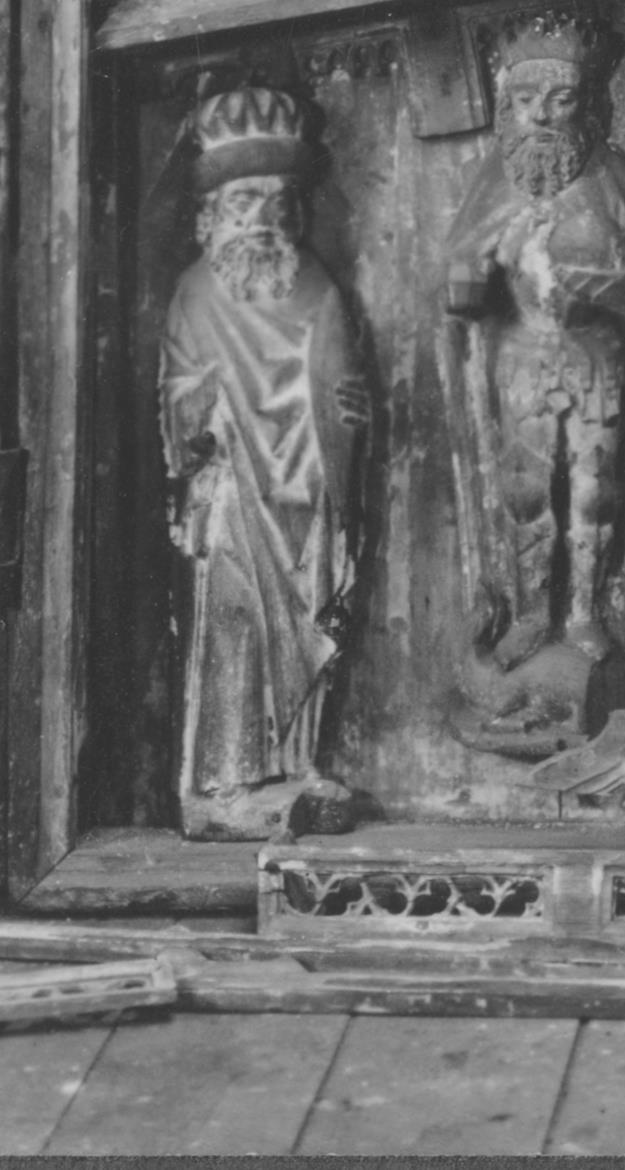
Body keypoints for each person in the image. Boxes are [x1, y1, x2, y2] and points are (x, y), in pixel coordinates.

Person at [435, 11, 625, 753]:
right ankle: (531, 612)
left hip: (595, 360)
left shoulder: (610, 181)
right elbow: (457, 293)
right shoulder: (493, 184)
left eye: (560, 98)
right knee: (526, 494)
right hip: (522, 363)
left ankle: (585, 613)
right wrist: (476, 274)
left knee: (596, 494)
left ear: (587, 104)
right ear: (505, 107)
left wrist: (605, 289)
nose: (541, 114)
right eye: (524, 99)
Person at [158, 83, 373, 836]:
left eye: (279, 202)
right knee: (236, 632)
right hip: (231, 497)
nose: (264, 218)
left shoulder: (315, 286)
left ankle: (290, 765)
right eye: (245, 202)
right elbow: (176, 393)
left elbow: (343, 386)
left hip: (306, 494)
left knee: (309, 623)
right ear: (212, 215)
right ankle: (222, 784)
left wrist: (345, 416)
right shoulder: (195, 292)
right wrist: (204, 410)